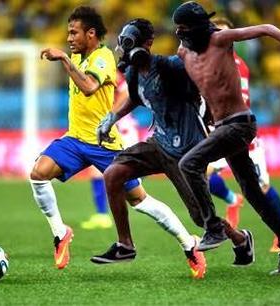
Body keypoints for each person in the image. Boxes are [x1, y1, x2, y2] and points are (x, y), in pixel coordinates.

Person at [31, 6, 205, 274]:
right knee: (38, 173)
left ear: (91, 34)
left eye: (73, 33)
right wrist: (70, 60)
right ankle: (60, 233)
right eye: (68, 33)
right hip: (75, 139)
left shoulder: (103, 58)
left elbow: (89, 88)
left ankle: (188, 244)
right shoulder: (78, 57)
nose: (69, 38)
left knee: (140, 201)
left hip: (104, 145)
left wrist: (64, 60)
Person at [92, 18, 255, 278]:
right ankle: (125, 245)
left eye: (129, 40)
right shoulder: (133, 73)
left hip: (188, 149)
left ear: (147, 43)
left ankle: (240, 239)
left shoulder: (172, 66)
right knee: (113, 174)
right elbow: (135, 98)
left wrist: (214, 110)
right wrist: (112, 117)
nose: (123, 46)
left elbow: (205, 78)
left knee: (200, 218)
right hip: (159, 142)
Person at [172, 1, 280, 274]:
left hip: (240, 124)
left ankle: (214, 228)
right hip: (221, 127)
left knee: (188, 164)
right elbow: (197, 89)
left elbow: (266, 28)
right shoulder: (183, 53)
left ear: (196, 27)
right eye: (177, 29)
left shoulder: (221, 39)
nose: (180, 33)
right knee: (252, 192)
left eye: (184, 28)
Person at [207, 17, 280, 253]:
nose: (222, 38)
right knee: (203, 175)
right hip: (218, 131)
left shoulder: (235, 64)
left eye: (226, 34)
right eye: (218, 33)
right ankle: (231, 199)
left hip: (241, 133)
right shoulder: (210, 61)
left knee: (261, 188)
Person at [81, 72, 140, 231]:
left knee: (128, 181)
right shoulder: (88, 72)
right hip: (110, 129)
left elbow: (126, 93)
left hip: (121, 129)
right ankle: (102, 215)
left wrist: (109, 116)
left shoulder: (109, 71)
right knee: (97, 171)